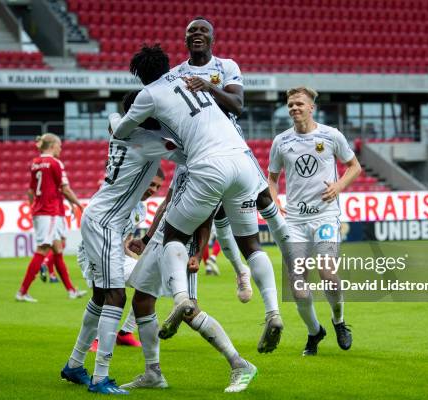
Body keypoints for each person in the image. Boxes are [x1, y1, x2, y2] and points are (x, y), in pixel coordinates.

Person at [112, 44, 283, 354]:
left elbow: (122, 130)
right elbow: (230, 105)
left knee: (174, 235)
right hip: (243, 160)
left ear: (139, 75)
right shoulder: (190, 81)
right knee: (251, 244)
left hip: (207, 165)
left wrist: (118, 123)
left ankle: (180, 299)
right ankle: (273, 312)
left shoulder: (149, 96)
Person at [60, 93, 185, 395]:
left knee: (103, 297)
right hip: (105, 222)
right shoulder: (148, 143)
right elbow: (185, 152)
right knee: (116, 296)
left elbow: (114, 118)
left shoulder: (120, 128)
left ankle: (75, 364)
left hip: (103, 219)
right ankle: (101, 376)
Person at [171, 17, 292, 304]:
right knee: (211, 218)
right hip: (195, 152)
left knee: (264, 199)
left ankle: (293, 259)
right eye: (192, 32)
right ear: (186, 40)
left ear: (212, 38)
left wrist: (208, 87)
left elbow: (237, 104)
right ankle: (236, 273)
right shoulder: (175, 74)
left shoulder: (226, 66)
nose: (197, 34)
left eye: (203, 31)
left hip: (232, 145)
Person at [122, 165, 257, 392]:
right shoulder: (183, 164)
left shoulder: (212, 167)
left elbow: (207, 219)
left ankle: (240, 364)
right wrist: (146, 239)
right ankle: (153, 373)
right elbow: (166, 204)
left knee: (188, 309)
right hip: (161, 238)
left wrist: (197, 254)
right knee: (142, 300)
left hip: (185, 241)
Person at [268, 87, 361, 355]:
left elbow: (354, 166)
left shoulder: (330, 135)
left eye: (299, 104)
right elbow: (272, 179)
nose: (294, 108)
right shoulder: (281, 141)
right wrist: (274, 198)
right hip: (295, 221)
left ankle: (339, 321)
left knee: (328, 275)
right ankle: (314, 332)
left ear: (312, 108)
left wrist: (338, 186)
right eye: (290, 104)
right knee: (298, 288)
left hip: (325, 215)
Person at [87, 169, 165, 352]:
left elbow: (122, 240)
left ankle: (125, 332)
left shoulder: (141, 209)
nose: (154, 189)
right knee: (109, 293)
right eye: (151, 184)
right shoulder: (118, 199)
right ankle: (96, 339)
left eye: (158, 187)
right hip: (96, 252)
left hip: (116, 255)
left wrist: (134, 255)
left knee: (153, 278)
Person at [16, 133, 85, 302]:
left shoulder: (35, 163)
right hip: (50, 212)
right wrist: (78, 204)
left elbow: (31, 191)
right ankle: (22, 292)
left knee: (57, 250)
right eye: (59, 146)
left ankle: (71, 290)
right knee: (43, 249)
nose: (61, 149)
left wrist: (33, 208)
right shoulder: (55, 163)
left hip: (41, 211)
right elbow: (65, 189)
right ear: (53, 145)